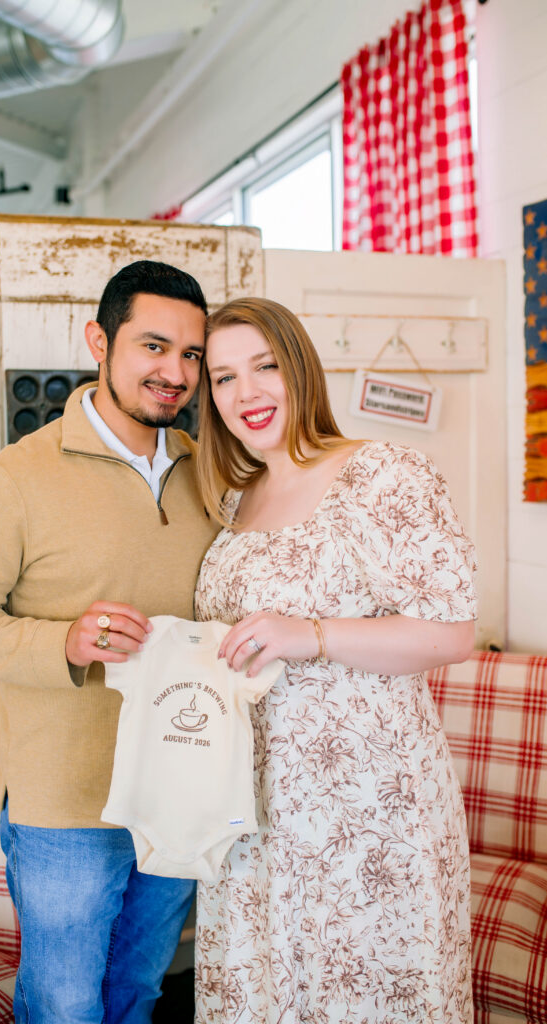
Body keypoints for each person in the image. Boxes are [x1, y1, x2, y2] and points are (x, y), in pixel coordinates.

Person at [0, 260, 218, 1024]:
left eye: (190, 354)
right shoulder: (15, 478)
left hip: (177, 790)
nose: (174, 372)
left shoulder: (207, 475)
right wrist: (68, 641)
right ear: (99, 340)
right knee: (62, 1004)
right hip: (64, 804)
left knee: (140, 992)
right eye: (153, 346)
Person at [192, 297, 476, 1024]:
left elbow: (450, 634)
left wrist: (309, 633)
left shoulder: (381, 474)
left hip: (367, 806)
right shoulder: (235, 498)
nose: (245, 393)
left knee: (366, 991)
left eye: (264, 366)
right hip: (254, 806)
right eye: (223, 378)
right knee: (267, 992)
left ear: (300, 369)